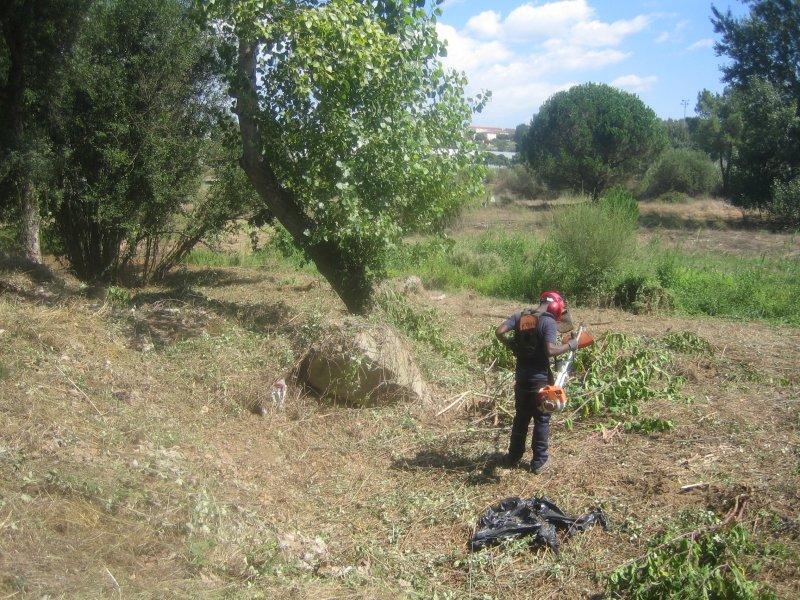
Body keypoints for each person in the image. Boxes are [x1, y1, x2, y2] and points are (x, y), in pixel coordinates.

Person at [495, 290, 577, 473]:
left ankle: (513, 456)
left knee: (521, 417)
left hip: (522, 379)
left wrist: (512, 346)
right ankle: (539, 462)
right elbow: (550, 350)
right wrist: (570, 345)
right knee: (542, 418)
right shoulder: (547, 321)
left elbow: (499, 331)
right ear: (556, 305)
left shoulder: (520, 316)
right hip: (540, 380)